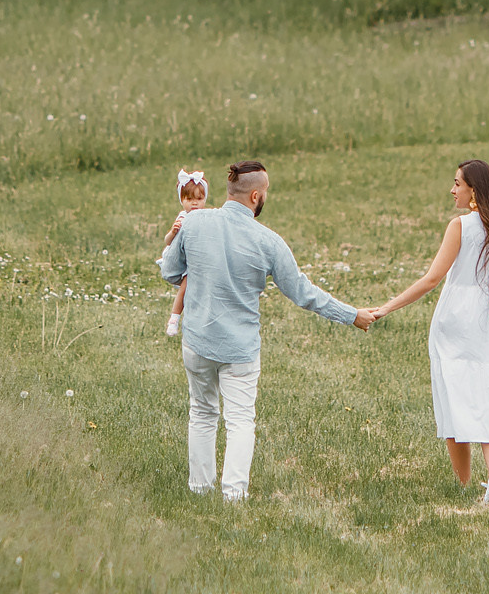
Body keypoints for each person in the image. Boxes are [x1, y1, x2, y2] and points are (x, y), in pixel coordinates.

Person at [159, 159, 375, 500]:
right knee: (240, 420)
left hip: (197, 341)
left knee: (201, 412)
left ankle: (199, 490)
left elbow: (170, 273)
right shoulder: (269, 242)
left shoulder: (194, 222)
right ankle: (233, 495)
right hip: (240, 348)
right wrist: (352, 315)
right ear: (256, 196)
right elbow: (304, 293)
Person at [361, 158, 489, 503]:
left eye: (457, 184)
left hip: (459, 320)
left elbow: (432, 278)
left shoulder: (460, 226)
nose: (452, 190)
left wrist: (387, 307)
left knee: (456, 397)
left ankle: (462, 485)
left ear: (473, 191)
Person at [164, 168, 211, 337]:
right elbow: (168, 242)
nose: (194, 203)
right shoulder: (182, 218)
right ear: (181, 200)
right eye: (189, 199)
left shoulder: (207, 216)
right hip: (187, 262)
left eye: (199, 199)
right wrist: (173, 232)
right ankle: (174, 318)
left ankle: (203, 324)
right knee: (185, 287)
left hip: (203, 260)